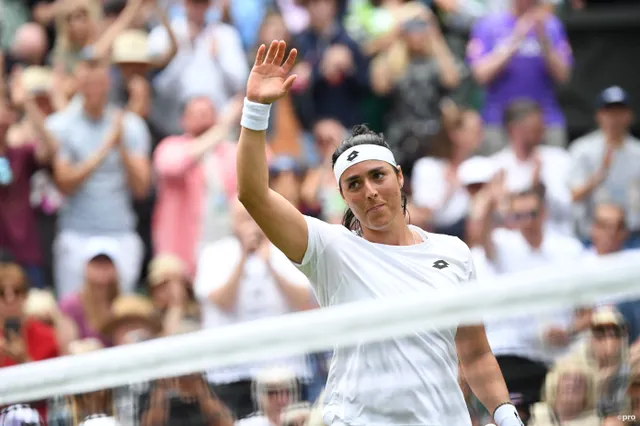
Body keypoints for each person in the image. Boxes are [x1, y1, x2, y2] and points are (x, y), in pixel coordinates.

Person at [236, 39, 523, 426]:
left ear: (399, 177)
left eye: (377, 176)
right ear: (342, 196)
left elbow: (474, 355)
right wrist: (256, 110)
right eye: (353, 184)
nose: (369, 191)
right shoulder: (330, 251)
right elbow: (253, 194)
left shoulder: (453, 252)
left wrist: (507, 417)